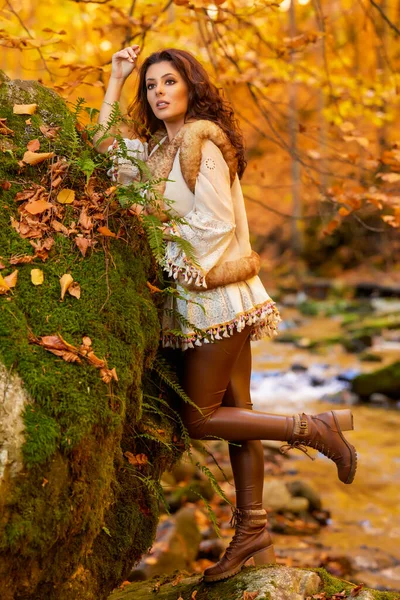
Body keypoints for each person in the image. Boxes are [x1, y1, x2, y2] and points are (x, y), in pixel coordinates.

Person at [94, 45, 357, 583]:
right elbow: (101, 156)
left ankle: (318, 429)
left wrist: (159, 245)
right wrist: (117, 79)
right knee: (240, 418)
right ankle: (254, 534)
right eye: (152, 86)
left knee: (201, 417)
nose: (160, 91)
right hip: (207, 300)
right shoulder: (159, 152)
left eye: (169, 81)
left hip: (217, 297)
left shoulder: (199, 141)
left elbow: (213, 224)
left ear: (191, 87)